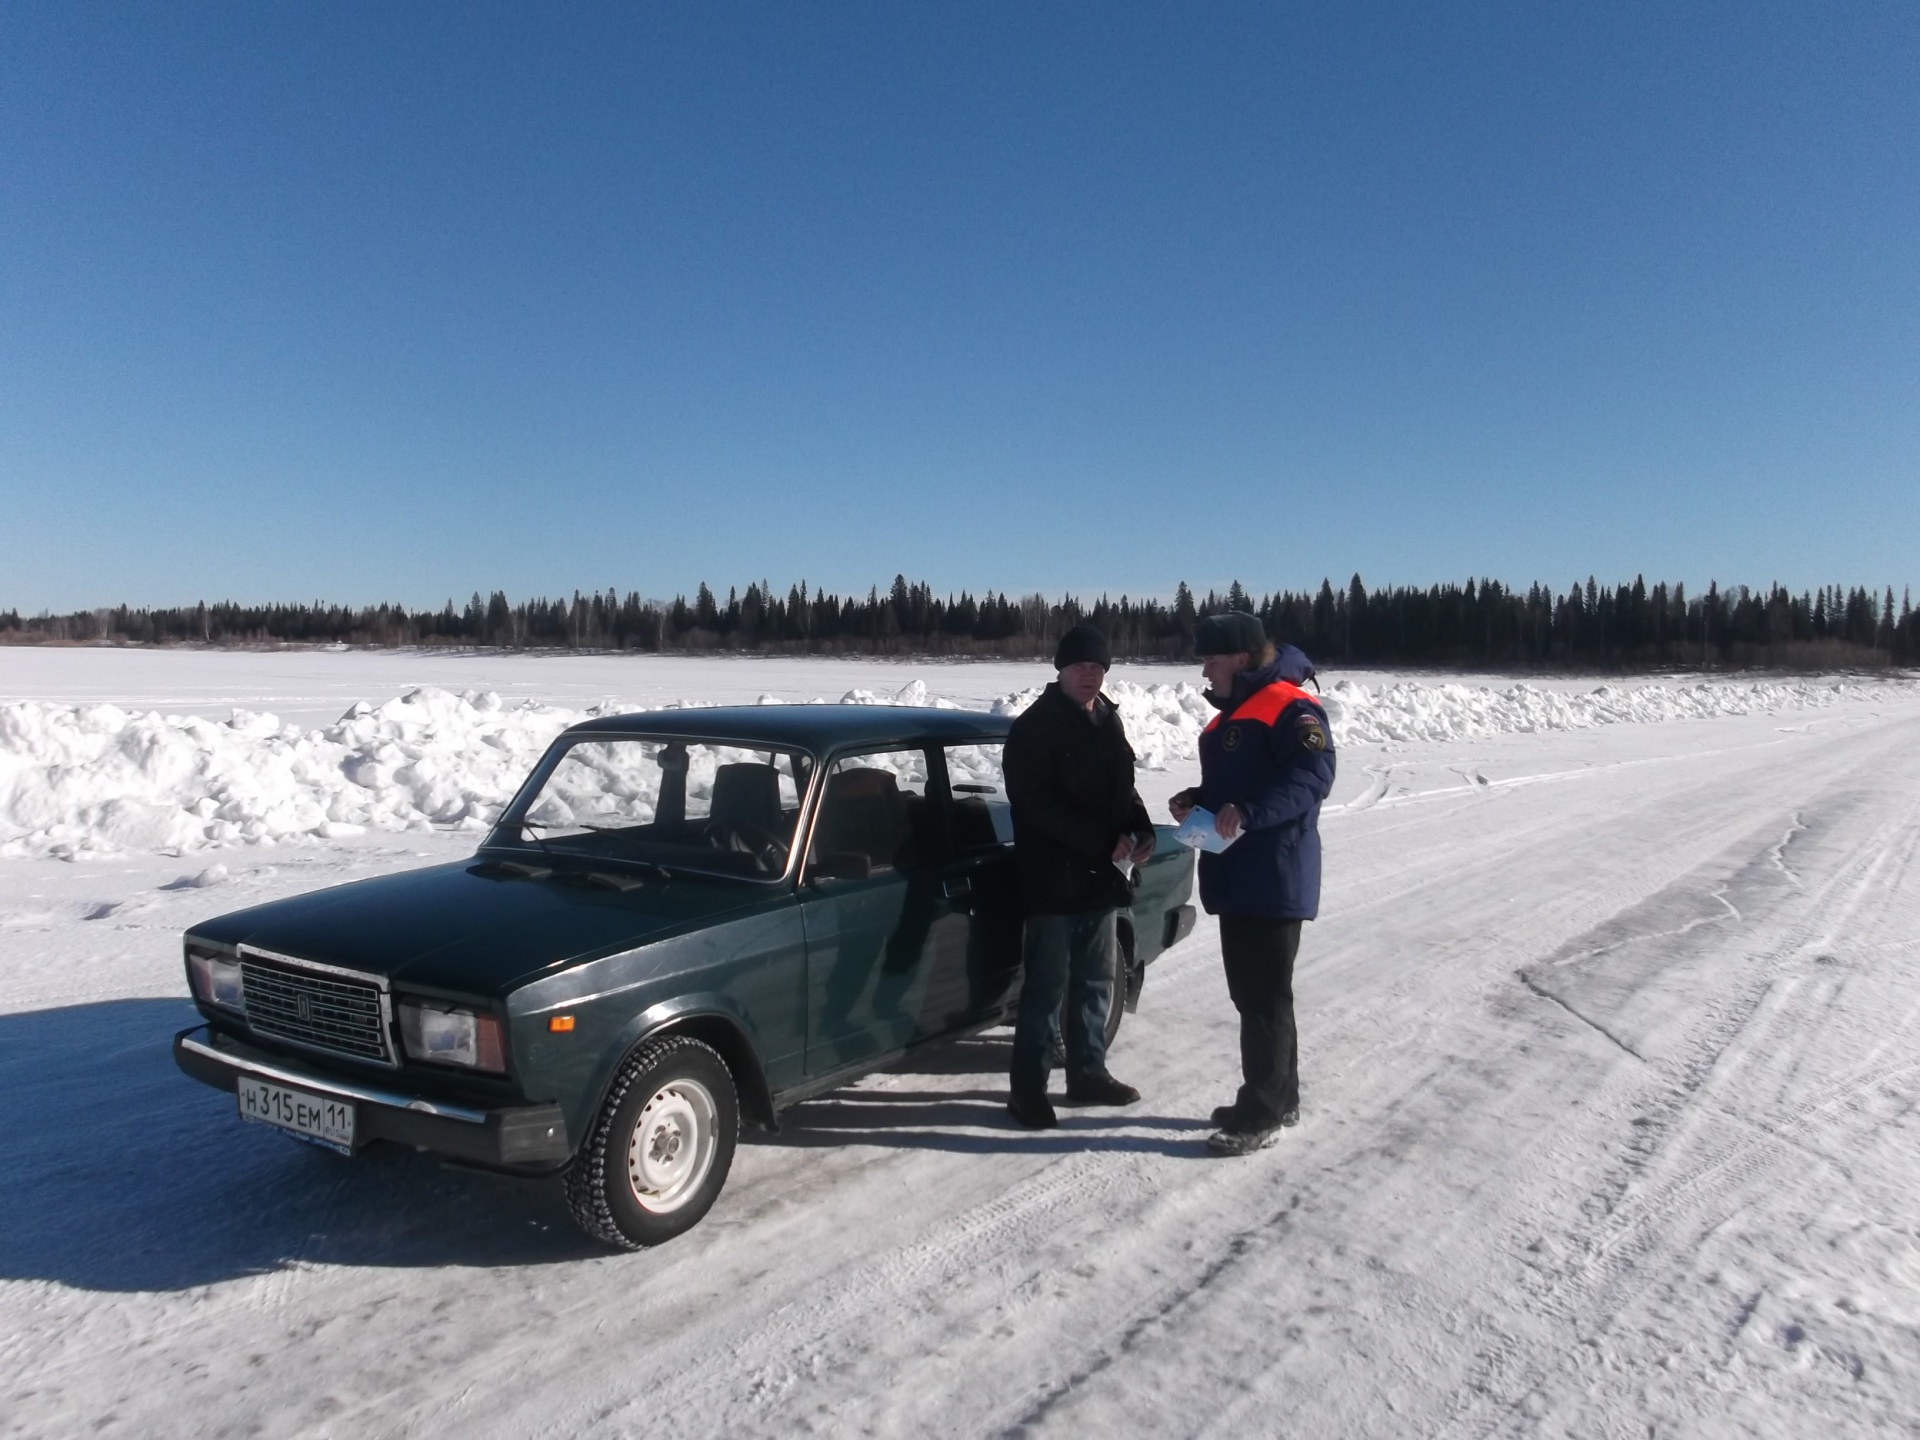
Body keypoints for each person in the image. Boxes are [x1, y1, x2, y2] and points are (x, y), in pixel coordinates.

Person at [1168, 612, 1335, 1156]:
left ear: (1241, 658)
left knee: (1262, 996)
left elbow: (1313, 775)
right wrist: (1199, 801)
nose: (1205, 672)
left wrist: (1250, 811)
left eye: (1212, 660)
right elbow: (1234, 787)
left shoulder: (1291, 705)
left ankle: (1260, 1111)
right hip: (1239, 871)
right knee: (1257, 994)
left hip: (1274, 871)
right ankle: (1276, 1096)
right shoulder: (1233, 717)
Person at [1003, 623, 1156, 1128]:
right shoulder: (1034, 728)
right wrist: (1100, 841)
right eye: (1080, 667)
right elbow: (1036, 805)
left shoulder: (1107, 721)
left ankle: (1088, 1074)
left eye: (1098, 668)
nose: (1089, 675)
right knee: (1046, 988)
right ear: (1061, 671)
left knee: (1095, 981)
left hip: (1101, 879)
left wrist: (1140, 827)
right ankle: (1027, 1091)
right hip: (1053, 881)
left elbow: (1122, 790)